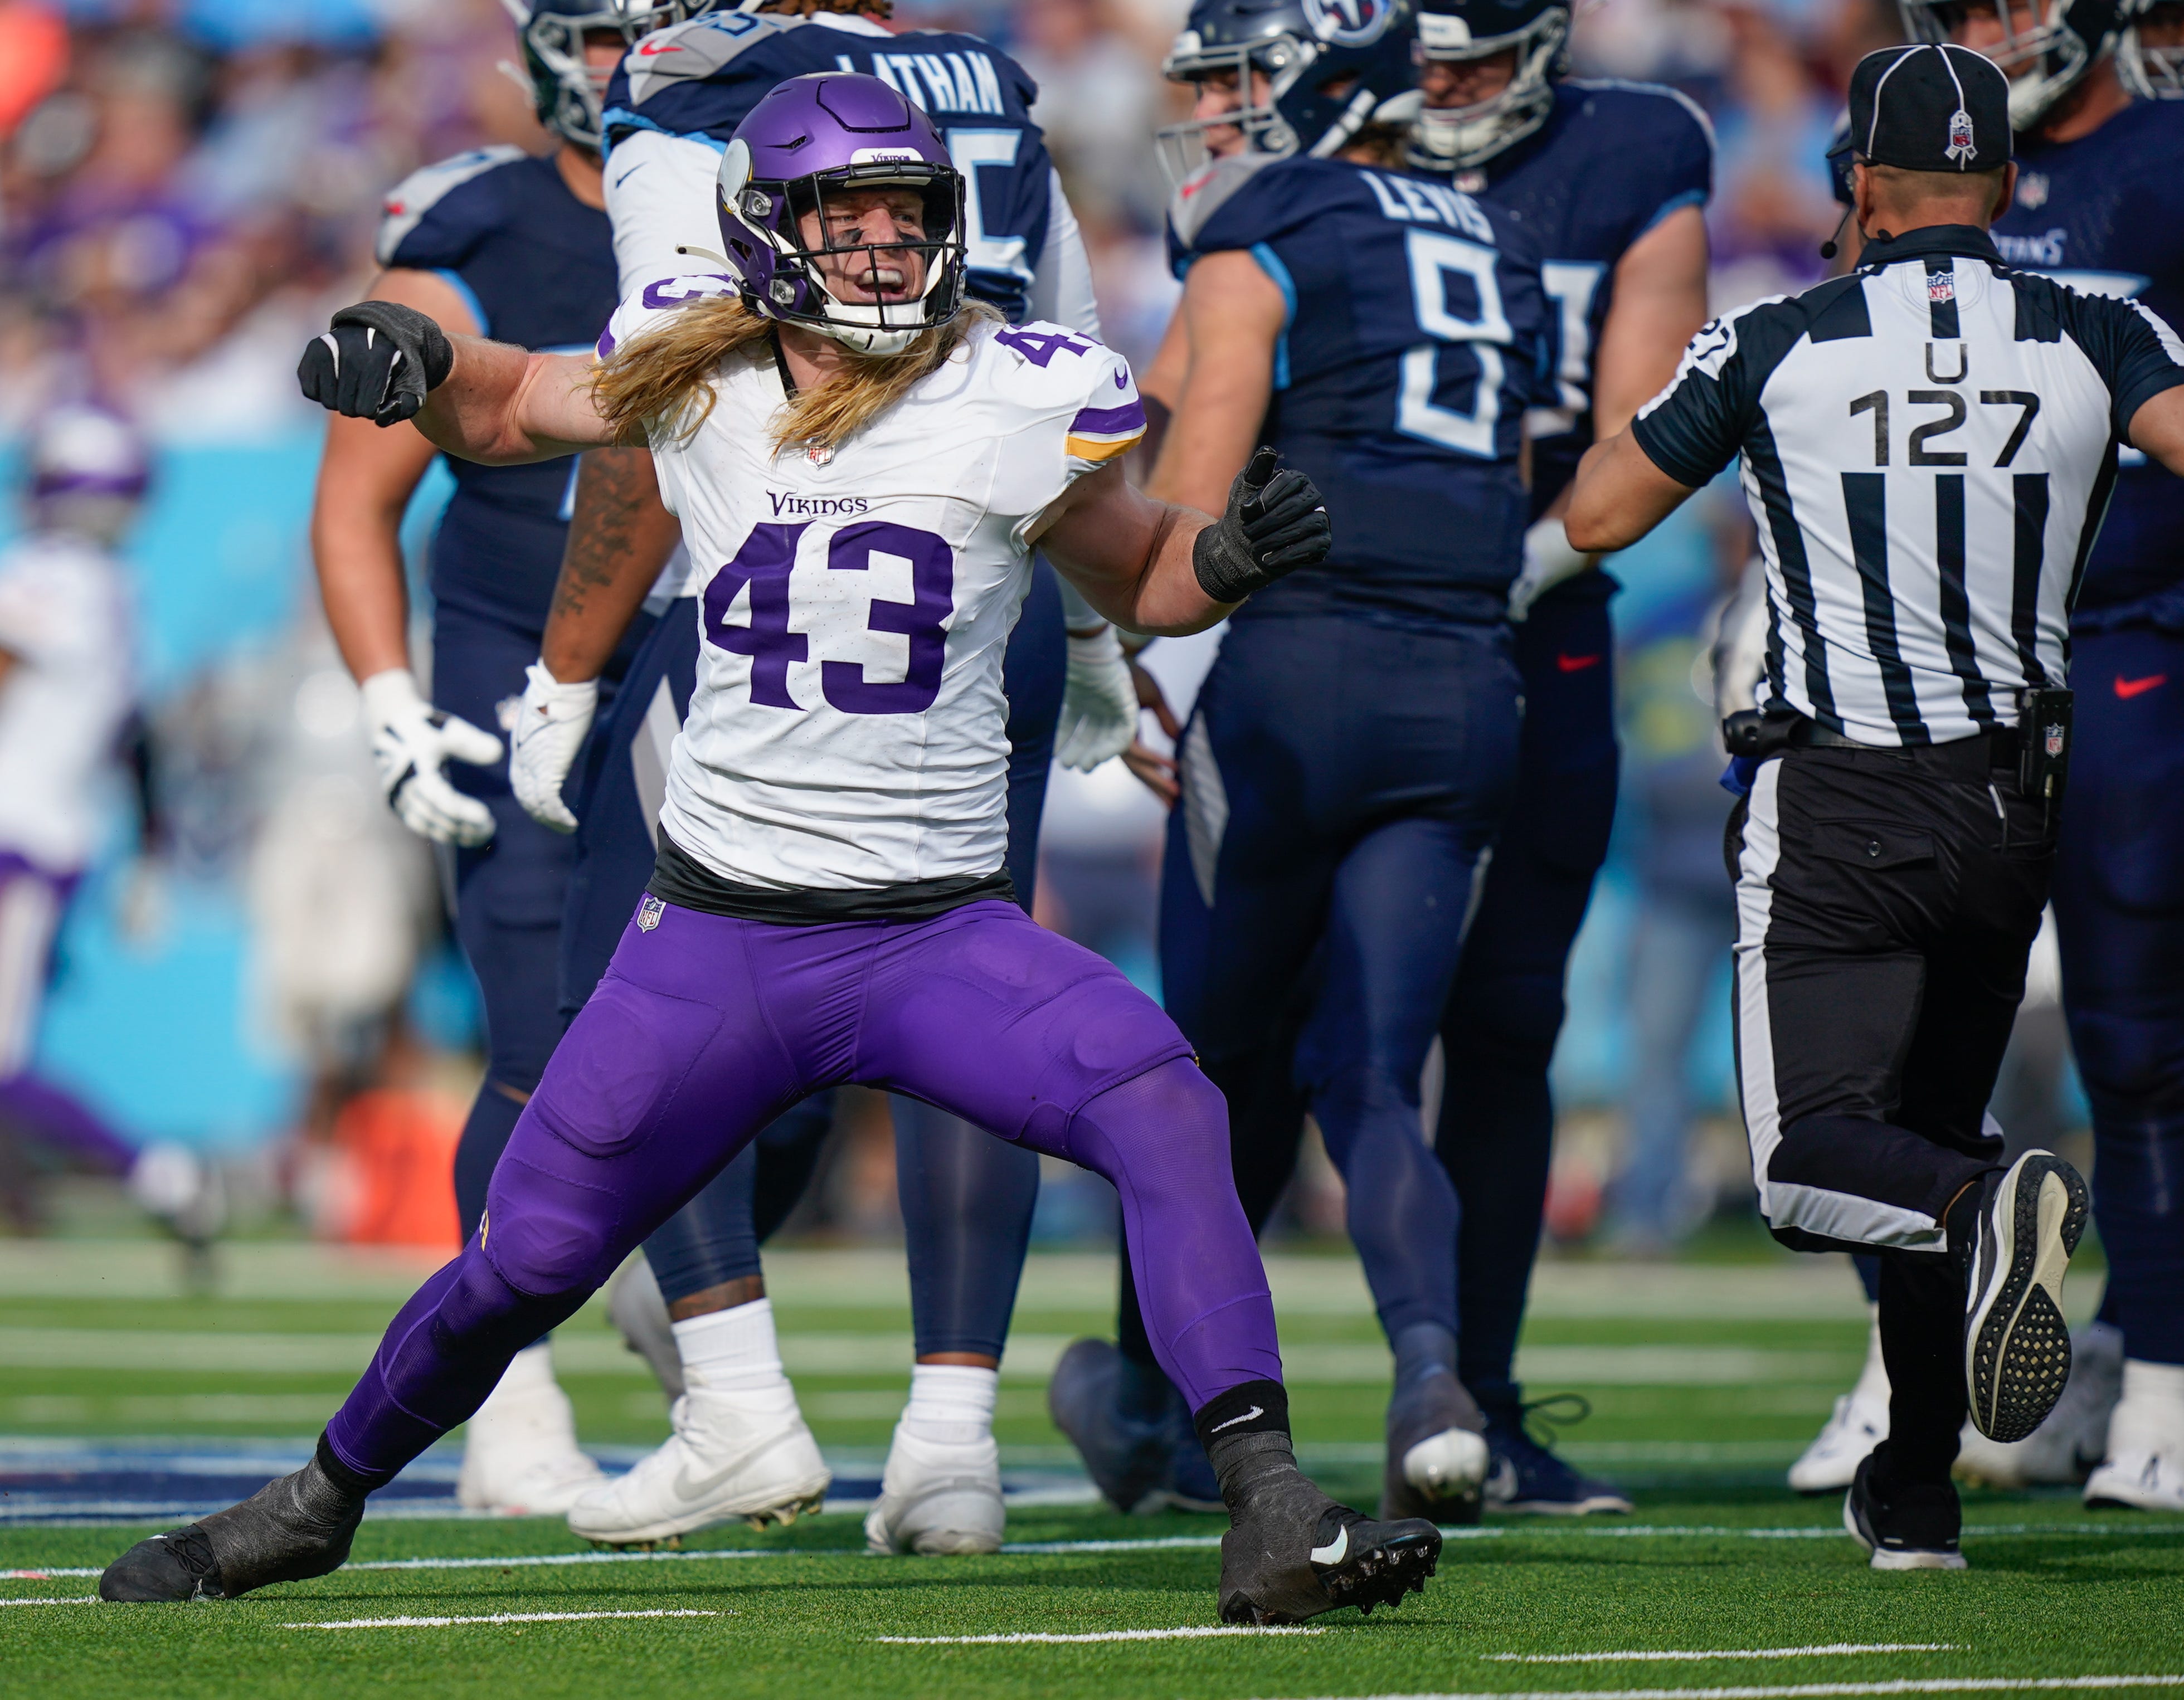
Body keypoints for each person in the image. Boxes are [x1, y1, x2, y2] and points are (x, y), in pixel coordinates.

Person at [100, 73, 1447, 1627]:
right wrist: (412, 358)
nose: (881, 247)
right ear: (770, 229)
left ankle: (1269, 1503)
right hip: (721, 940)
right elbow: (509, 401)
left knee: (1163, 1100)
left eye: (906, 216)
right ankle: (317, 1497)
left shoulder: (1019, 385)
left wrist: (1221, 560)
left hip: (939, 935)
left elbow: (1137, 569)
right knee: (525, 1258)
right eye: (844, 216)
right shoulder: (697, 373)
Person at [524, 0, 1140, 1555]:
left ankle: (736, 1398)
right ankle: (955, 1440)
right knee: (973, 990)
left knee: (676, 988)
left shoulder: (698, 78)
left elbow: (659, 391)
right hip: (989, 575)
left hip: (778, 599)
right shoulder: (987, 81)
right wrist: (1094, 638)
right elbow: (1063, 368)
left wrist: (565, 667)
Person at [1565, 41, 2184, 1569]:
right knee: (1917, 1130)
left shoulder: (1779, 335)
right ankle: (1912, 1480)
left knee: (1816, 1164)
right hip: (2012, 807)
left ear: (1859, 178)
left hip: (1842, 792)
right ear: (2005, 180)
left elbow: (1601, 512)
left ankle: (1994, 1209)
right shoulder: (2103, 332)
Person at [1048, 0, 1553, 1528]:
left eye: (1232, 83)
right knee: (1377, 1070)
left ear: (1313, 88)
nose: (1210, 115)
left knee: (1192, 1076)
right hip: (1466, 681)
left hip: (1297, 673)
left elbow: (1193, 520)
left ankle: (1151, 1401)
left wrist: (1124, 651)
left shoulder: (1275, 219)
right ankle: (1433, 1384)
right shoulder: (1491, 234)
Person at [304, 0, 706, 1515]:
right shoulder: (476, 226)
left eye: (646, 36)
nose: (624, 69)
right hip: (503, 659)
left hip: (703, 657)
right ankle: (510, 1385)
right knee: (541, 1030)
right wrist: (391, 699)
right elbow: (357, 502)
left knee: (768, 1053)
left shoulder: (761, 189)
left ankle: (681, 1292)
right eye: (602, 38)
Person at [1792, 0, 2184, 1511]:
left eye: (2013, 2)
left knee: (2140, 1029)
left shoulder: (2161, 163)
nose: (1989, 32)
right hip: (1934, 656)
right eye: (1962, 10)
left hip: (2135, 630)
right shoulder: (1893, 149)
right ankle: (1913, 1368)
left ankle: (2154, 1373)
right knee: (1888, 1037)